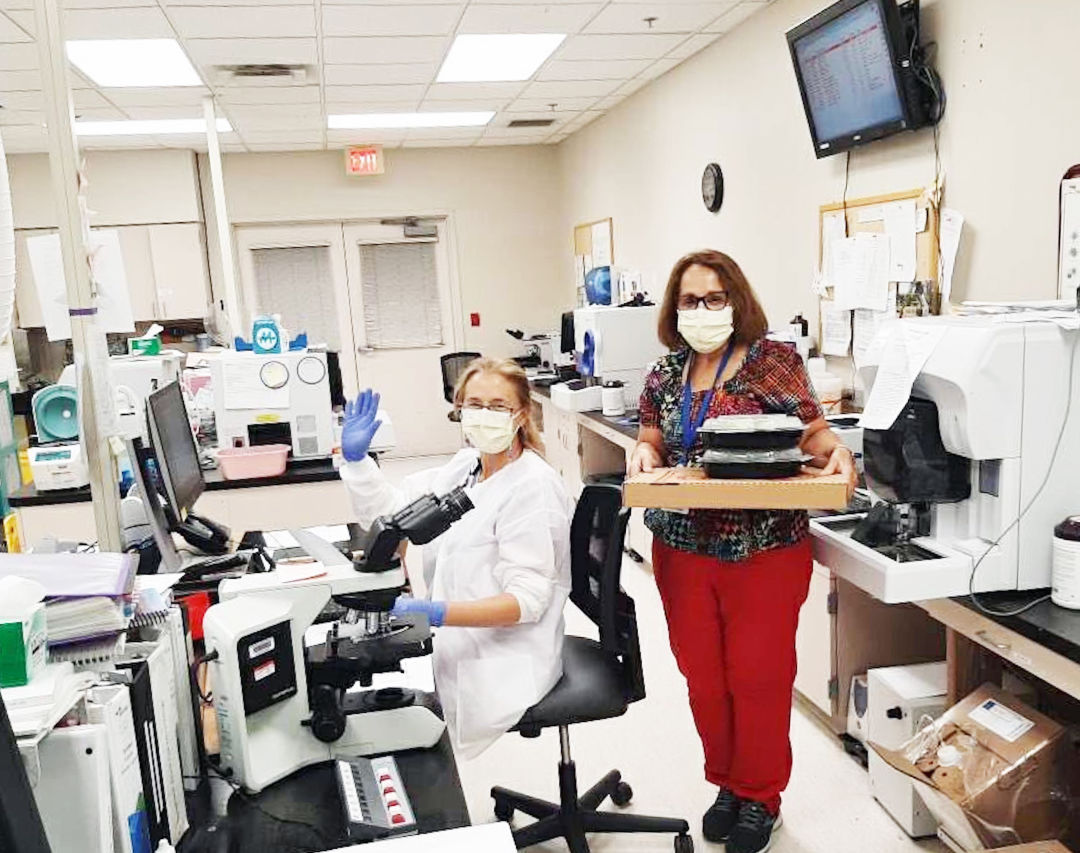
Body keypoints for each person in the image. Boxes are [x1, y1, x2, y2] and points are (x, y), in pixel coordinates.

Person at [628, 250, 857, 853]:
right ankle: (728, 782)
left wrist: (837, 453)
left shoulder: (770, 362)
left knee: (758, 676)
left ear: (736, 302)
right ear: (673, 308)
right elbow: (651, 436)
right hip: (683, 545)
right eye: (688, 300)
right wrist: (644, 455)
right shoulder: (664, 372)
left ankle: (762, 797)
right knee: (704, 678)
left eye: (713, 298)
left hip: (763, 547)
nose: (700, 310)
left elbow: (813, 432)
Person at [338, 357, 573, 758]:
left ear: (521, 415)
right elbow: (394, 512)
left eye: (498, 406)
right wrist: (358, 463)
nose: (484, 415)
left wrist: (434, 612)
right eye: (474, 404)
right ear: (458, 409)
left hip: (507, 659)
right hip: (461, 645)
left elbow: (527, 602)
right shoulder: (469, 466)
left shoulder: (533, 488)